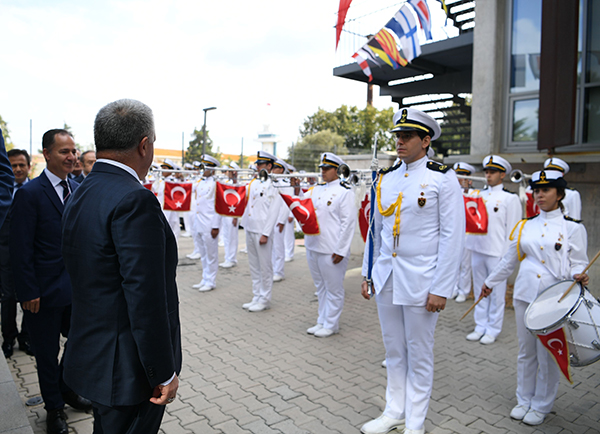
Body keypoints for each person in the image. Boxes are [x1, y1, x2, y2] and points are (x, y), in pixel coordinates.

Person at [61, 99, 181, 434]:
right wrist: (163, 372)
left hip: (95, 355)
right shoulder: (135, 199)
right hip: (128, 367)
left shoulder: (81, 192)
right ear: (144, 145)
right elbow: (145, 297)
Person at [360, 108, 464, 434]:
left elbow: (452, 236)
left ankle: (415, 423)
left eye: (407, 136)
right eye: (398, 135)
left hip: (422, 279)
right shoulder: (387, 178)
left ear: (426, 140)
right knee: (393, 349)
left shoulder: (442, 178)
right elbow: (375, 231)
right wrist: (367, 273)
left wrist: (442, 287)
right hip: (387, 274)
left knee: (419, 352)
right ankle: (394, 410)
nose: (400, 141)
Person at [482, 170, 588, 426]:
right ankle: (523, 399)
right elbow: (508, 261)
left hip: (553, 300)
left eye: (546, 190)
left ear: (559, 195)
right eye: (536, 191)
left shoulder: (573, 228)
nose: (539, 195)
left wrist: (578, 274)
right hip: (524, 295)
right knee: (525, 351)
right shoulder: (525, 225)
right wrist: (489, 282)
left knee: (547, 353)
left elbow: (579, 262)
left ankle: (541, 404)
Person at [10, 129, 90, 434]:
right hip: (42, 294)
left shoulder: (79, 189)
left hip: (76, 290)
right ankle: (54, 409)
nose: (71, 157)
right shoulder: (30, 194)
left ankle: (66, 389)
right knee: (45, 355)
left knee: (81, 342)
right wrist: (27, 290)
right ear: (47, 154)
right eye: (64, 152)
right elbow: (20, 248)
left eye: (74, 151)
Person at [464, 155, 522, 345]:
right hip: (477, 247)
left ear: (502, 174)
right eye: (487, 172)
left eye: (493, 172)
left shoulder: (509, 198)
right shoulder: (477, 195)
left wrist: (508, 257)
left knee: (496, 292)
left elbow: (512, 231)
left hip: (497, 252)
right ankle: (480, 325)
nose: (488, 175)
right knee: (480, 289)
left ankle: (493, 328)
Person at [302, 152, 356, 338]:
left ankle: (332, 324)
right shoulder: (316, 189)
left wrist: (341, 249)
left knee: (334, 289)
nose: (323, 172)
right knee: (321, 287)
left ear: (337, 170)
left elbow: (348, 223)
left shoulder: (344, 192)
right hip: (313, 245)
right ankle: (322, 320)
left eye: (327, 169)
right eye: (322, 169)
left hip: (331, 249)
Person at [240, 151, 286, 312]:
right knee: (254, 266)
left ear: (269, 166)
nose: (257, 166)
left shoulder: (274, 184)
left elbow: (274, 211)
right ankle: (256, 296)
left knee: (265, 267)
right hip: (251, 227)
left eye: (261, 164)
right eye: (257, 164)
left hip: (262, 231)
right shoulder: (254, 182)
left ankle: (265, 298)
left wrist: (266, 233)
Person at [1, 149, 32, 358]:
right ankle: (8, 338)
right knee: (8, 297)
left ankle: (26, 338)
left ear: (29, 167)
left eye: (22, 165)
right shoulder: (3, 192)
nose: (18, 169)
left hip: (30, 256)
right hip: (5, 254)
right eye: (13, 165)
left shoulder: (36, 190)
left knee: (30, 297)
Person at [191, 155, 222, 292]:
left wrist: (215, 226)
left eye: (205, 167)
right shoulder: (200, 182)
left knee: (211, 255)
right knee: (203, 254)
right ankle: (205, 278)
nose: (202, 170)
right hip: (199, 223)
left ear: (212, 169)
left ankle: (211, 281)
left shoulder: (216, 183)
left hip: (210, 224)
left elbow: (218, 206)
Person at [452, 162, 476, 303]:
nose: (459, 179)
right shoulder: (452, 192)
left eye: (462, 176)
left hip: (468, 233)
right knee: (454, 261)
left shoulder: (474, 194)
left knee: (466, 264)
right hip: (455, 232)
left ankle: (464, 291)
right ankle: (453, 288)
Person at [271, 158, 291, 282]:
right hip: (270, 219)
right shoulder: (271, 182)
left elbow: (286, 204)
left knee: (278, 246)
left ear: (281, 170)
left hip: (278, 219)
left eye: (276, 168)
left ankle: (279, 271)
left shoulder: (285, 183)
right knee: (271, 246)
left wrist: (282, 220)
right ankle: (273, 269)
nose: (273, 170)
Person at [219, 161, 241, 269]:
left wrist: (236, 217)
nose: (228, 172)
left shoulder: (238, 183)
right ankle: (227, 257)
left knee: (232, 237)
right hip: (226, 212)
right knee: (227, 236)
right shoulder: (226, 182)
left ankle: (232, 258)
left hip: (233, 213)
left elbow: (239, 200)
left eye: (231, 171)